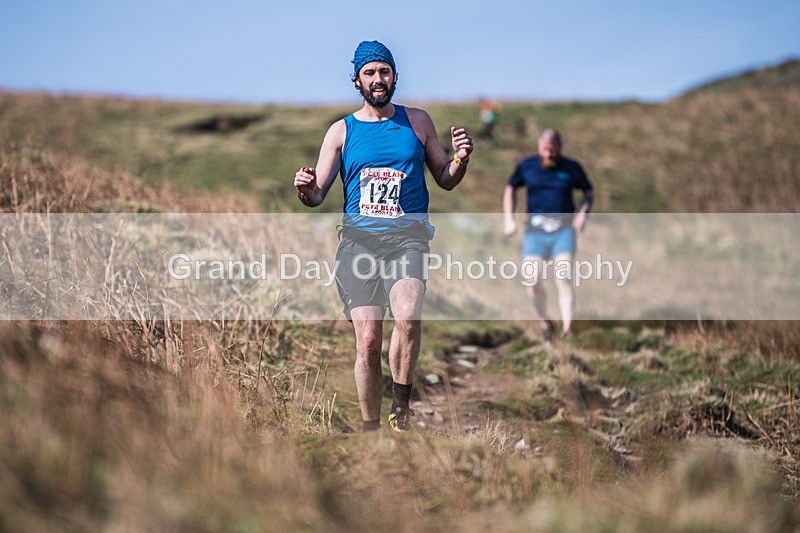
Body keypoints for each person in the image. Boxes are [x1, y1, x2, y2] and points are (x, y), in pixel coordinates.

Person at [294, 40, 474, 432]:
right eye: (370, 73)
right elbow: (317, 194)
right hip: (358, 244)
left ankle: (401, 409)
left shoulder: (418, 122)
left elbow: (444, 178)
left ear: (395, 76)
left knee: (408, 317)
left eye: (384, 71)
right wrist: (305, 189)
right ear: (357, 80)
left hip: (407, 240)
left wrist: (460, 159)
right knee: (368, 341)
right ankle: (370, 430)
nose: (378, 79)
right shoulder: (341, 131)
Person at [503, 129, 593, 342]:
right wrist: (508, 218)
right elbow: (510, 188)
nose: (549, 154)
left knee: (563, 276)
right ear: (539, 147)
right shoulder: (527, 166)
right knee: (532, 280)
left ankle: (567, 330)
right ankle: (545, 321)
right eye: (545, 149)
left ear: (560, 147)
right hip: (535, 233)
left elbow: (588, 192)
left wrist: (583, 213)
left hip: (564, 231)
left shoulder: (572, 167)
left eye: (553, 150)